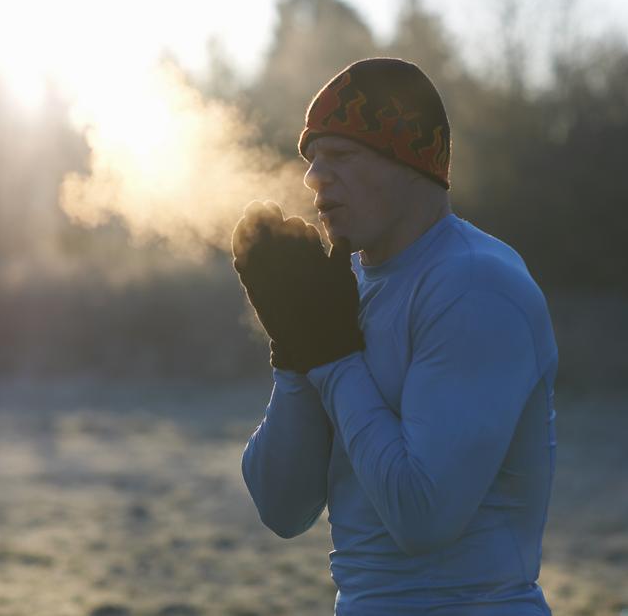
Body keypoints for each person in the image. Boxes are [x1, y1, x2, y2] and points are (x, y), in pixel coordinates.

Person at [232, 58, 558, 615]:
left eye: (341, 156)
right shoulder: (346, 288)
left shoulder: (475, 286)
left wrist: (332, 359)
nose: (313, 178)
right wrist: (294, 348)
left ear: (407, 160)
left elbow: (424, 515)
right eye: (313, 160)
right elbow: (283, 509)